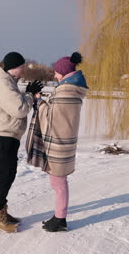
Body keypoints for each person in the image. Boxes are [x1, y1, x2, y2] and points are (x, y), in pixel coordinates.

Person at [27, 52, 88, 232]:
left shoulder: (65, 91)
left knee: (58, 182)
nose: (54, 75)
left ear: (63, 72)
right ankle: (58, 216)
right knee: (58, 181)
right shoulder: (72, 89)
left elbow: (51, 118)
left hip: (59, 142)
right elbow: (56, 113)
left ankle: (60, 219)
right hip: (64, 139)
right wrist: (43, 101)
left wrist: (38, 100)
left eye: (56, 72)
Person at [0, 52, 43, 233]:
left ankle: (2, 211)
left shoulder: (7, 82)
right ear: (14, 67)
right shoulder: (2, 84)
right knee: (4, 176)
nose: (24, 69)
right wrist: (30, 96)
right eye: (22, 66)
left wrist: (27, 94)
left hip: (8, 135)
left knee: (8, 175)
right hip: (4, 136)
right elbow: (19, 109)